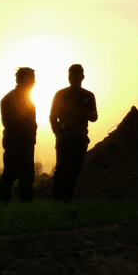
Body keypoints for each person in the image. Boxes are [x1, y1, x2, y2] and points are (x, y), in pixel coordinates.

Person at [50, 64, 98, 201]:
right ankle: (58, 200)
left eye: (77, 75)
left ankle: (67, 198)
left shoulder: (89, 96)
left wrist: (85, 114)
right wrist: (57, 131)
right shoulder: (61, 94)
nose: (74, 78)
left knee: (74, 170)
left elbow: (94, 116)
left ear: (82, 77)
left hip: (81, 138)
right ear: (68, 76)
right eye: (71, 75)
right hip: (64, 138)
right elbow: (53, 116)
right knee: (61, 169)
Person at [0, 67, 37, 203]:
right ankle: (25, 206)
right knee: (25, 176)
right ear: (25, 80)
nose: (34, 82)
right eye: (32, 79)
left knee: (10, 174)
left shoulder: (11, 98)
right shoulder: (16, 99)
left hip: (17, 141)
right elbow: (12, 123)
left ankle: (2, 203)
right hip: (20, 142)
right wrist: (29, 133)